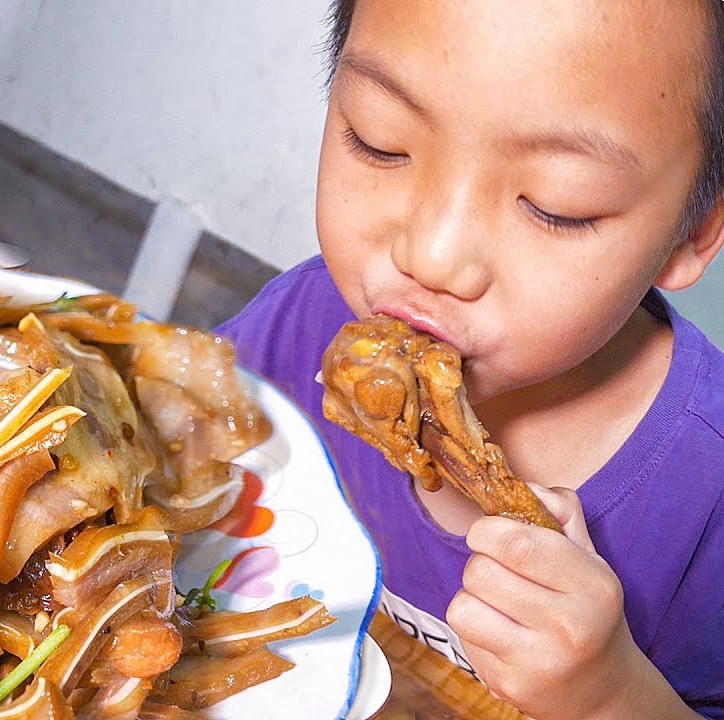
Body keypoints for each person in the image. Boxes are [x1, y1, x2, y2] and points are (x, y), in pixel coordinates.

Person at [217, 1, 724, 718]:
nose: (432, 255)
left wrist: (611, 693)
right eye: (379, 141)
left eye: (556, 206)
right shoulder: (304, 319)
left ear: (691, 233)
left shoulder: (707, 494)